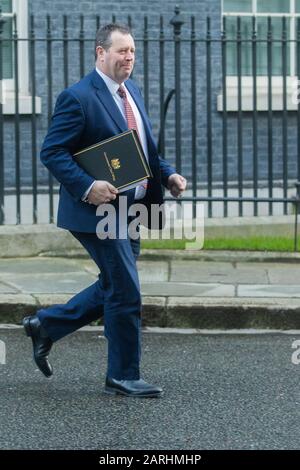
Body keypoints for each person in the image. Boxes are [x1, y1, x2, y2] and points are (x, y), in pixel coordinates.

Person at [23, 23, 187, 398]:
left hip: (132, 209)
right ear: (100, 53)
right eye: (121, 51)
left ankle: (45, 325)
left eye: (132, 51)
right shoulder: (78, 97)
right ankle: (123, 375)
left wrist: (169, 174)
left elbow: (145, 149)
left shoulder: (133, 92)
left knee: (114, 285)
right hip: (96, 212)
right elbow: (52, 152)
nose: (128, 58)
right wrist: (87, 185)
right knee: (126, 289)